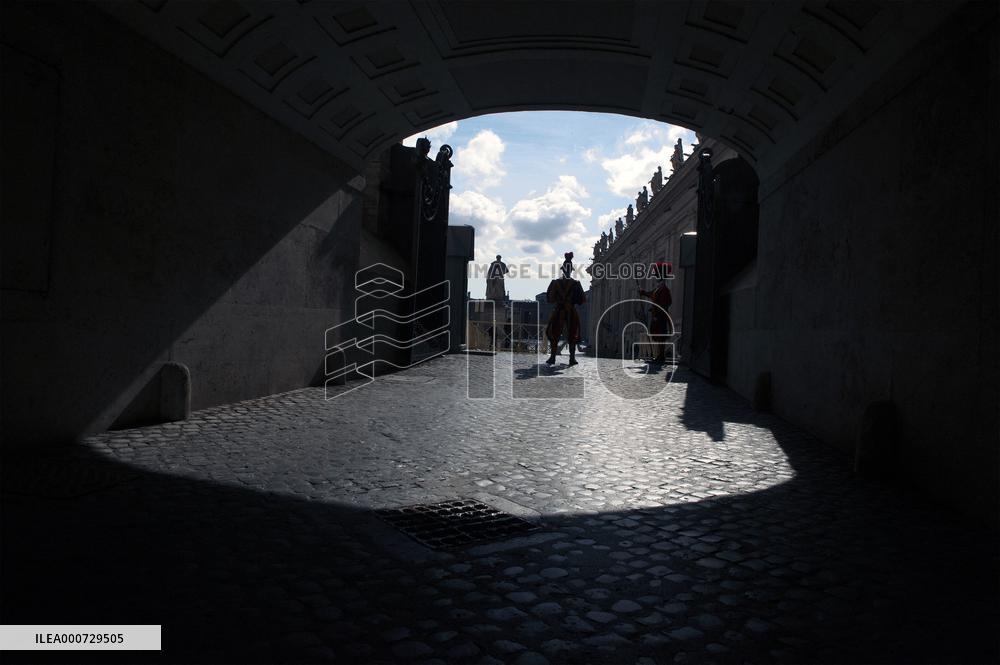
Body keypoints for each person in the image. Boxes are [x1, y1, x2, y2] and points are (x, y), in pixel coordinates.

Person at [545, 252, 586, 366]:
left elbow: (550, 298)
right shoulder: (576, 284)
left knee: (554, 332)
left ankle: (553, 357)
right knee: (572, 333)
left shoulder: (555, 283)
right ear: (571, 270)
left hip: (558, 310)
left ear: (563, 270)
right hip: (570, 311)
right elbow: (582, 300)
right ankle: (571, 358)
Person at [639, 261, 673, 363]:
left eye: (657, 274)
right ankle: (659, 356)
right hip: (657, 315)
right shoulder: (659, 288)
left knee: (660, 337)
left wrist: (656, 312)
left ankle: (661, 357)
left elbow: (664, 304)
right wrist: (643, 292)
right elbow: (652, 294)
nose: (655, 276)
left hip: (660, 317)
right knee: (658, 337)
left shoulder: (664, 289)